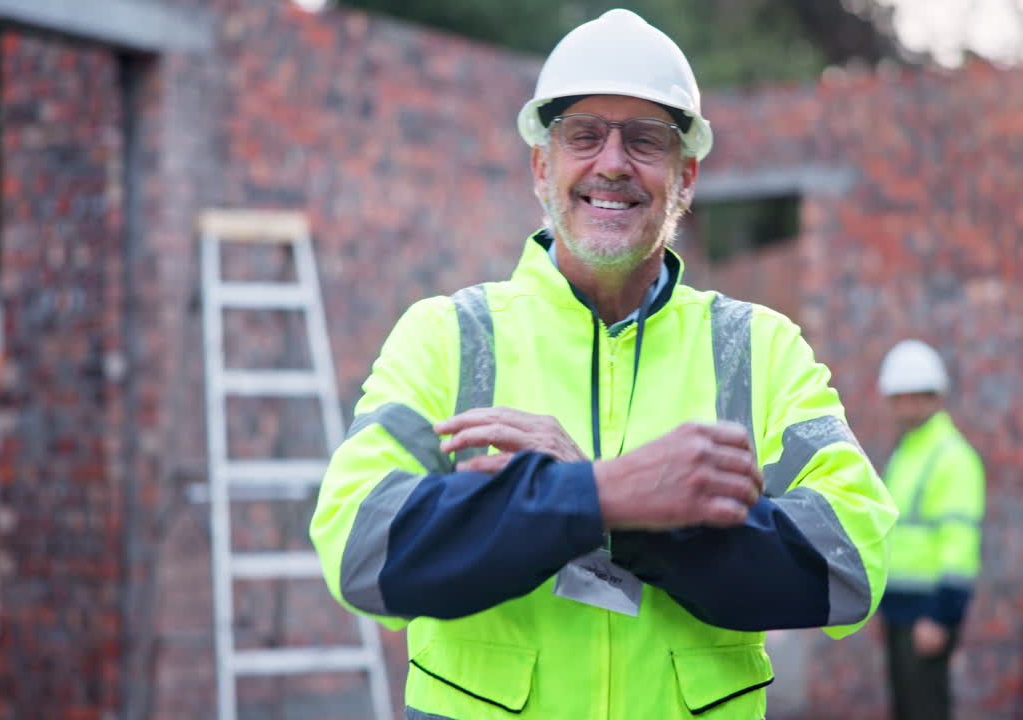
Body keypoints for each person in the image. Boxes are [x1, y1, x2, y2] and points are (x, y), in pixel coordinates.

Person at [311, 10, 897, 719]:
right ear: (542, 164)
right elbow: (360, 551)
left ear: (685, 175)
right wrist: (599, 494)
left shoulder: (760, 349)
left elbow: (849, 568)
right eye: (584, 136)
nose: (612, 163)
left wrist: (618, 517)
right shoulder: (448, 336)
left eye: (645, 140)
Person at [876, 339, 985, 720]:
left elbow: (960, 547)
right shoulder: (908, 452)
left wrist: (942, 615)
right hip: (899, 610)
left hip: (928, 614)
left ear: (933, 398)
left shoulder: (952, 457)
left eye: (911, 396)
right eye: (896, 397)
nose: (902, 405)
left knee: (926, 710)